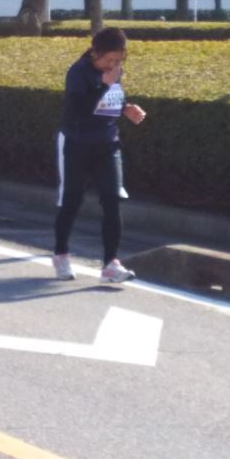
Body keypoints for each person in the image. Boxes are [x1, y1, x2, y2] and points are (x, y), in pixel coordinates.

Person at [53, 27, 146, 283]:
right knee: (71, 201)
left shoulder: (115, 72)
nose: (113, 65)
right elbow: (78, 109)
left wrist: (126, 108)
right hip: (76, 143)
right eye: (109, 59)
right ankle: (61, 254)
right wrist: (104, 85)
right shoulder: (78, 72)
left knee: (112, 200)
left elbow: (109, 101)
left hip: (107, 145)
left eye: (118, 60)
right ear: (96, 52)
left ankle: (110, 264)